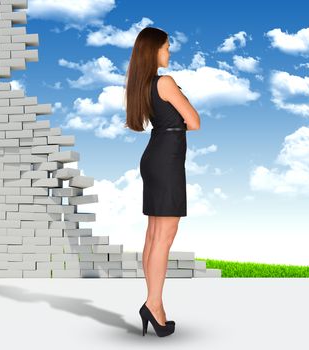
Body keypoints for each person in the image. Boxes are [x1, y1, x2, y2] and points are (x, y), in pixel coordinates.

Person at [124, 26, 201, 337]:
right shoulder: (166, 82)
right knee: (164, 236)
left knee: (154, 234)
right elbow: (194, 122)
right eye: (167, 47)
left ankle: (152, 303)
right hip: (167, 160)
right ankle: (154, 305)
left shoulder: (140, 85)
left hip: (155, 156)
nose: (169, 53)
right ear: (154, 50)